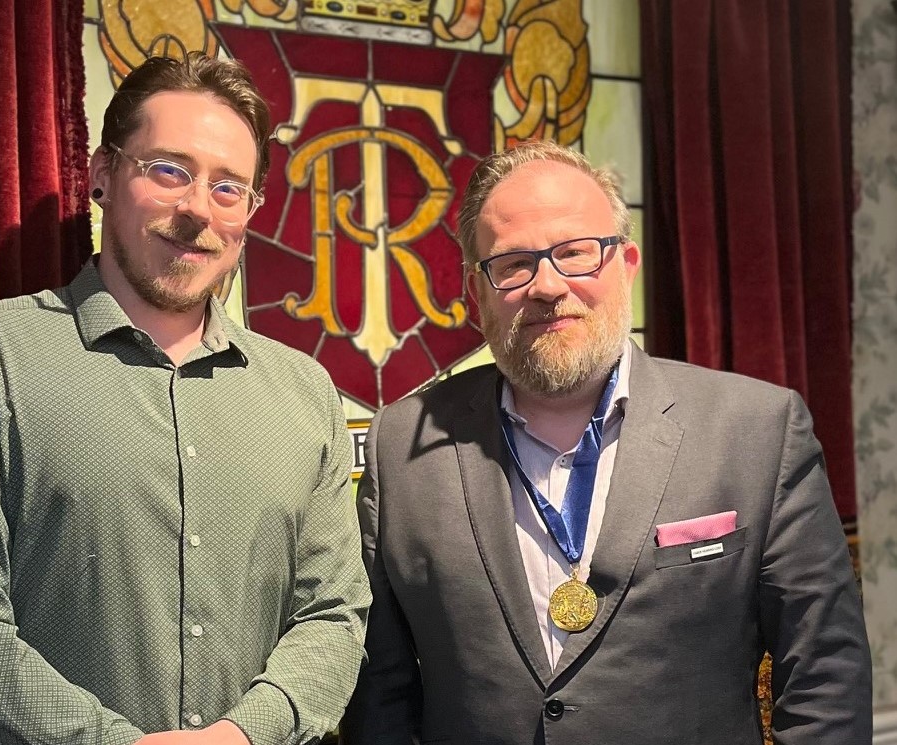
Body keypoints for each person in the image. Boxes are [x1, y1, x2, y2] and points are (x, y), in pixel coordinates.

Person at [0, 53, 370, 745]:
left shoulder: (305, 391)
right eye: (169, 171)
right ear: (103, 175)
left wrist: (241, 735)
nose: (197, 208)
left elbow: (333, 615)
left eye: (229, 187)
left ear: (252, 211)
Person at [340, 139, 871, 744]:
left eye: (575, 253)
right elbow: (379, 692)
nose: (546, 284)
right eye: (513, 263)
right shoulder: (402, 446)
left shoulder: (757, 430)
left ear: (626, 265)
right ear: (474, 295)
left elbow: (826, 673)